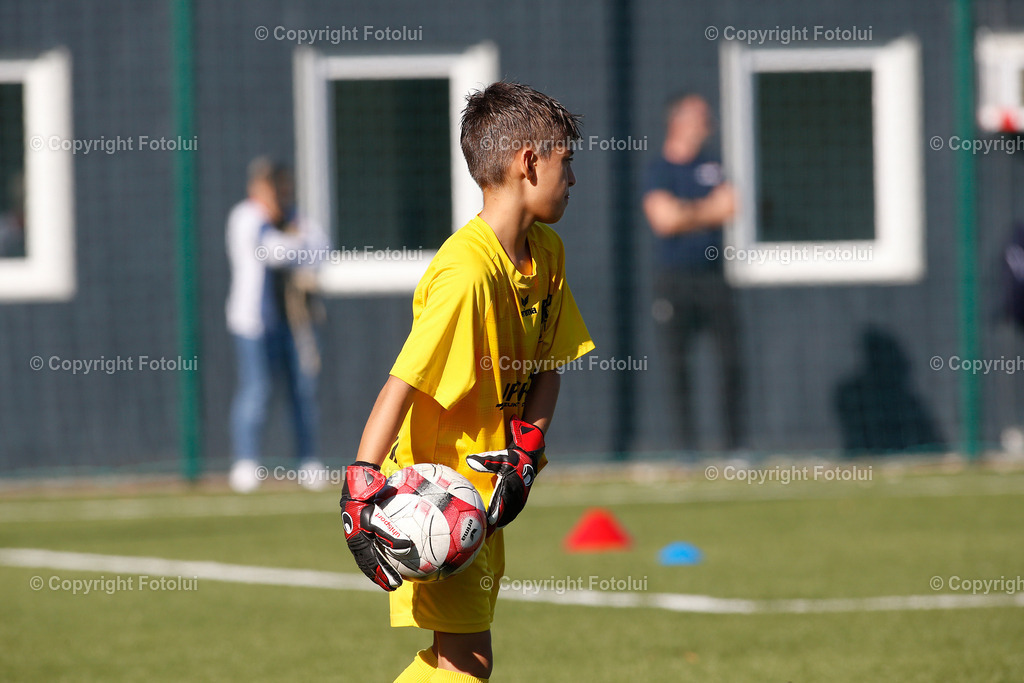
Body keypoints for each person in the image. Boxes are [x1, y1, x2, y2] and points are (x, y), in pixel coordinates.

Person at [339, 82, 594, 683]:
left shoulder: (547, 253)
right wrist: (360, 487)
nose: (573, 178)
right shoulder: (466, 271)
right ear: (529, 162)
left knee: (460, 660)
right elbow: (403, 380)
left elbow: (549, 367)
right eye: (566, 161)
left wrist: (526, 453)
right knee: (467, 661)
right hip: (436, 497)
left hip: (483, 489)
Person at [642, 93, 743, 452]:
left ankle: (734, 448)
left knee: (731, 361)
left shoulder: (714, 165)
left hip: (713, 277)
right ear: (679, 121)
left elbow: (731, 206)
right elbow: (664, 220)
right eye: (701, 117)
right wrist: (707, 210)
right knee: (677, 366)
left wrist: (686, 212)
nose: (709, 124)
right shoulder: (659, 170)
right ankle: (686, 450)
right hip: (674, 280)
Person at [225, 157, 328, 493]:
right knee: (255, 391)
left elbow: (321, 249)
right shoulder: (245, 217)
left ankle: (307, 461)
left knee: (302, 391)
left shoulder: (294, 216)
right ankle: (246, 463)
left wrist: (296, 238)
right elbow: (271, 253)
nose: (277, 194)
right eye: (270, 187)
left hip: (292, 323)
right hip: (254, 324)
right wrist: (296, 241)